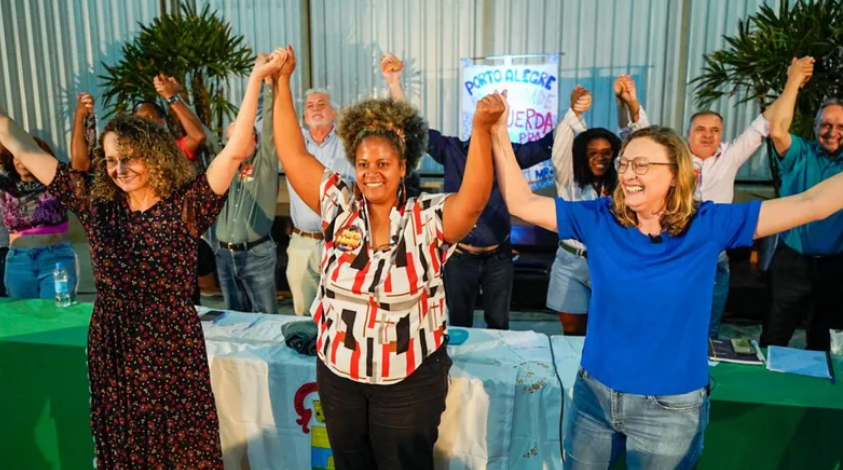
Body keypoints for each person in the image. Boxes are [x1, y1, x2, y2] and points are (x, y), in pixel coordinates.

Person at [490, 77, 843, 468]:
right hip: (593, 397)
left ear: (676, 173)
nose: (626, 174)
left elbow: (814, 202)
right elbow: (521, 202)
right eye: (625, 164)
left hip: (670, 409)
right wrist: (497, 132)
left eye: (641, 164)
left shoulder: (708, 224)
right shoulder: (599, 217)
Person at [0, 51, 284, 468]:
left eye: (128, 157)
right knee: (124, 444)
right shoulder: (96, 204)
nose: (119, 168)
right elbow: (17, 140)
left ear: (152, 155)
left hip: (171, 344)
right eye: (111, 159)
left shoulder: (186, 207)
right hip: (113, 342)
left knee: (180, 446)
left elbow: (237, 147)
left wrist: (257, 78)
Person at [272, 45, 503, 469]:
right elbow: (292, 154)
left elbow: (472, 201)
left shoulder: (425, 218)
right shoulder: (338, 205)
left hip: (407, 383)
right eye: (362, 163)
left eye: (383, 162)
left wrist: (482, 130)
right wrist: (281, 81)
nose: (371, 171)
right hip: (339, 377)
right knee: (350, 463)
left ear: (402, 167)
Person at [626, 59, 808, 338]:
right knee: (666, 320)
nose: (708, 135)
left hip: (714, 254)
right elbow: (644, 132)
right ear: (688, 134)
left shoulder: (731, 156)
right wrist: (632, 103)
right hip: (673, 249)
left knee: (708, 325)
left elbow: (765, 124)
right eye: (701, 129)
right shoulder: (673, 158)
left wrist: (791, 82)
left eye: (714, 130)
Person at [382, 53, 555, 330]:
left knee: (499, 323)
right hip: (458, 257)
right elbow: (412, 127)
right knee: (458, 323)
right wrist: (394, 83)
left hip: (499, 257)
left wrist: (574, 115)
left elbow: (550, 144)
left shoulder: (507, 155)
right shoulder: (450, 150)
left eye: (492, 121)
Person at [547, 78, 646, 335]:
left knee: (612, 331)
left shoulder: (624, 182)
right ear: (582, 154)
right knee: (572, 335)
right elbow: (560, 149)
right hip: (571, 261)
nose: (600, 157)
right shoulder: (568, 179)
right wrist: (575, 112)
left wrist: (630, 105)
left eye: (607, 152)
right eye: (592, 152)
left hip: (612, 261)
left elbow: (640, 144)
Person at [762, 58, 843, 352]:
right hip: (791, 262)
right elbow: (778, 131)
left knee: (824, 342)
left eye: (840, 125)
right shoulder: (800, 154)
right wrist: (793, 81)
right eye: (826, 124)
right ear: (815, 125)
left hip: (835, 266)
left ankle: (816, 397)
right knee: (775, 334)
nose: (833, 131)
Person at [281, 86, 355, 315]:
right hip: (302, 240)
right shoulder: (294, 145)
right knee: (303, 313)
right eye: (310, 106)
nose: (315, 109)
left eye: (321, 104)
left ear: (334, 113)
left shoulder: (349, 144)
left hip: (342, 240)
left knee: (342, 309)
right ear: (303, 117)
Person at [214, 73, 280, 314]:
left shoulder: (265, 162)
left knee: (266, 319)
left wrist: (269, 86)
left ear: (254, 137)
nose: (233, 143)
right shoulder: (223, 166)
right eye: (229, 139)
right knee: (232, 319)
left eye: (239, 137)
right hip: (223, 255)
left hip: (256, 254)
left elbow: (272, 125)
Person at [0, 137, 79, 299]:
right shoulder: (7, 184)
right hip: (18, 261)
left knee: (57, 314)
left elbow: (79, 165)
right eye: (17, 155)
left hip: (56, 259)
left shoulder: (56, 182)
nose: (22, 161)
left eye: (27, 154)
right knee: (24, 317)